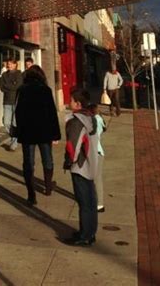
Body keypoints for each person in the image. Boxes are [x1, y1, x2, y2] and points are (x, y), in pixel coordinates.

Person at [15, 65, 61, 205]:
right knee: (47, 159)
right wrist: (56, 134)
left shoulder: (22, 90)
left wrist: (20, 129)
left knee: (28, 162)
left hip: (27, 131)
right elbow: (52, 113)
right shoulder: (45, 90)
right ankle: (47, 187)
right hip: (44, 130)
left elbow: (18, 112)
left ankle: (31, 194)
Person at [63, 88, 99, 246]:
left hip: (80, 165)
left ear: (77, 104)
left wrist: (69, 161)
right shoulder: (91, 118)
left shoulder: (76, 121)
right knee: (90, 201)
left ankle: (84, 235)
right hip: (91, 163)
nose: (69, 102)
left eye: (71, 100)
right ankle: (90, 232)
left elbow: (73, 146)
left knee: (84, 202)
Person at [0, 58, 23, 151]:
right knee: (6, 122)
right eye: (8, 64)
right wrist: (11, 85)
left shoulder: (19, 74)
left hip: (16, 101)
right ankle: (14, 137)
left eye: (11, 64)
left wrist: (8, 85)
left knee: (14, 123)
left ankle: (14, 142)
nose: (9, 66)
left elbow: (17, 86)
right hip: (7, 101)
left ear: (15, 64)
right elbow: (2, 87)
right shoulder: (4, 74)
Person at [88, 102, 107, 213]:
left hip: (96, 152)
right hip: (99, 152)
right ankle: (97, 201)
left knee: (96, 179)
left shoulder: (94, 120)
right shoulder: (99, 119)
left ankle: (99, 203)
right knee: (96, 178)